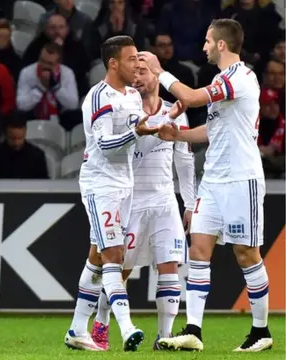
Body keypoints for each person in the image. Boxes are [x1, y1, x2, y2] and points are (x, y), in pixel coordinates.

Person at [139, 18, 273, 352]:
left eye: (207, 41)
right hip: (213, 179)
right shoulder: (221, 79)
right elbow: (213, 131)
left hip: (242, 178)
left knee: (246, 254)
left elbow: (193, 99)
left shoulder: (241, 77)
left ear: (222, 45)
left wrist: (160, 73)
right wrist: (178, 135)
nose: (204, 47)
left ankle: (261, 331)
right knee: (198, 250)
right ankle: (194, 331)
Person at [64, 35, 162, 352]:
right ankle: (126, 326)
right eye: (132, 58)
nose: (138, 63)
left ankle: (77, 330)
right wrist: (137, 131)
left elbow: (139, 130)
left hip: (125, 183)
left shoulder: (133, 95)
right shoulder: (98, 97)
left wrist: (163, 122)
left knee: (97, 256)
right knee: (113, 256)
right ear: (114, 63)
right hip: (101, 183)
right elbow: (105, 146)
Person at [90, 58, 196, 351]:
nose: (136, 76)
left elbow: (184, 160)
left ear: (156, 76)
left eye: (143, 71)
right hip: (131, 200)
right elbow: (127, 143)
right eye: (133, 71)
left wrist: (189, 203)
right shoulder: (126, 109)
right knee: (119, 269)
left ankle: (164, 336)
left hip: (163, 200)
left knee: (170, 265)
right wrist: (163, 122)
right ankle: (101, 324)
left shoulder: (176, 111)